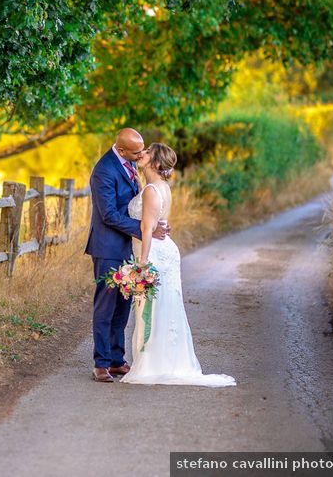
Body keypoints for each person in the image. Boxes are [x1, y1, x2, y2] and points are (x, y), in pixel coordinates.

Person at [120, 143, 236, 387]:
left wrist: (141, 264)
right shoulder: (161, 187)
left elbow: (147, 229)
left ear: (157, 163)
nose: (142, 154)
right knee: (165, 308)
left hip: (154, 254)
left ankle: (154, 365)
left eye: (148, 153)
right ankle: (165, 361)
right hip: (165, 251)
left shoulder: (152, 189)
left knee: (152, 309)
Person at [85, 129, 169, 383]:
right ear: (121, 150)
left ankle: (116, 359)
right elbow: (108, 214)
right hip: (106, 248)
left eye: (142, 150)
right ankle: (100, 364)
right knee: (105, 306)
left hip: (123, 247)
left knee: (123, 304)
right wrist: (146, 231)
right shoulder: (104, 171)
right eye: (136, 152)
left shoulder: (128, 164)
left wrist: (154, 224)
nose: (141, 155)